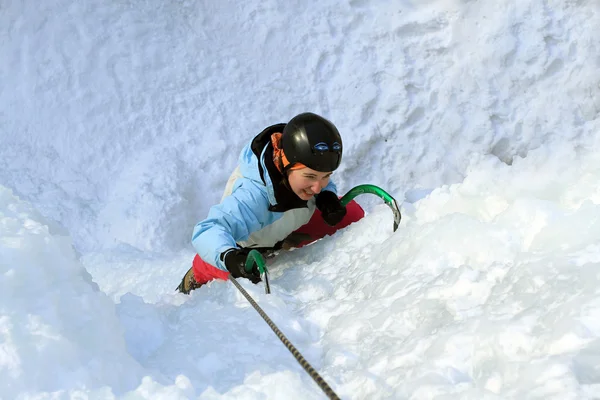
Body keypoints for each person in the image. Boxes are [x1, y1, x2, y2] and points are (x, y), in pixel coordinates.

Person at [177, 112, 365, 294]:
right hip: (243, 250)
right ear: (286, 163)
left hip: (283, 229)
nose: (317, 187)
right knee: (217, 260)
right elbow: (208, 229)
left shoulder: (306, 179)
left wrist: (327, 195)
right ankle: (200, 270)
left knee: (351, 212)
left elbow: (320, 184)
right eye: (310, 177)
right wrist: (230, 257)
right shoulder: (252, 196)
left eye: (325, 176)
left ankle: (283, 244)